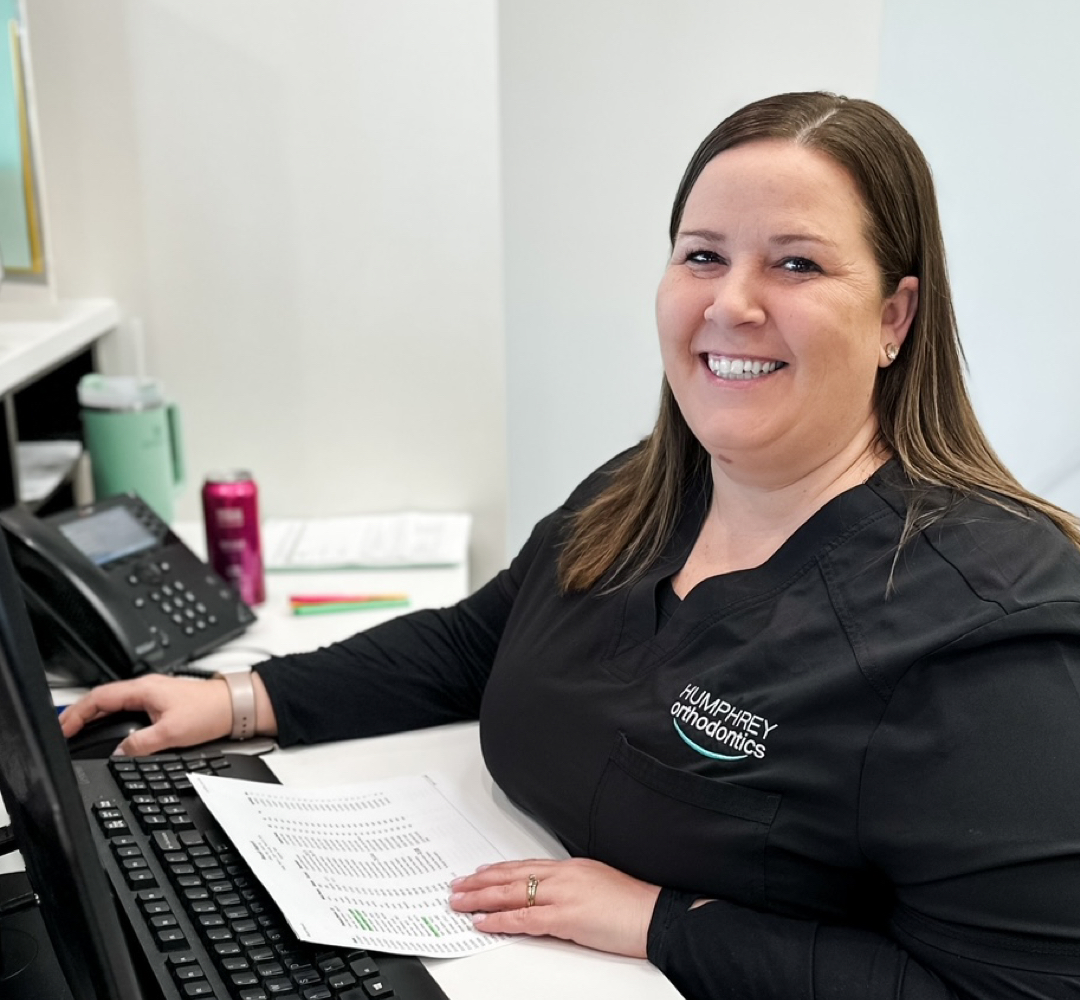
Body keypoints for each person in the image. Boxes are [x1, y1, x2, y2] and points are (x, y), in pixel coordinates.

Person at [62, 91, 1080, 998]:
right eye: (702, 254)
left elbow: (1014, 984)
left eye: (798, 263)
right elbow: (479, 643)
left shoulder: (988, 629)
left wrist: (659, 923)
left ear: (896, 315)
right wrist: (242, 697)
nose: (732, 303)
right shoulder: (644, 491)